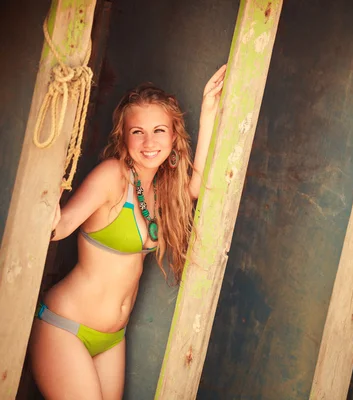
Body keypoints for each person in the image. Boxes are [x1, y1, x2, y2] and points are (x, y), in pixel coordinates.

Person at [28, 64, 227, 400]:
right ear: (124, 137)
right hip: (65, 329)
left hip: (113, 339)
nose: (149, 142)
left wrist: (208, 112)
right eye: (137, 132)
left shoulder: (162, 189)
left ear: (174, 136)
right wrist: (43, 206)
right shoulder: (113, 176)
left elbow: (197, 187)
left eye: (159, 130)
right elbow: (60, 226)